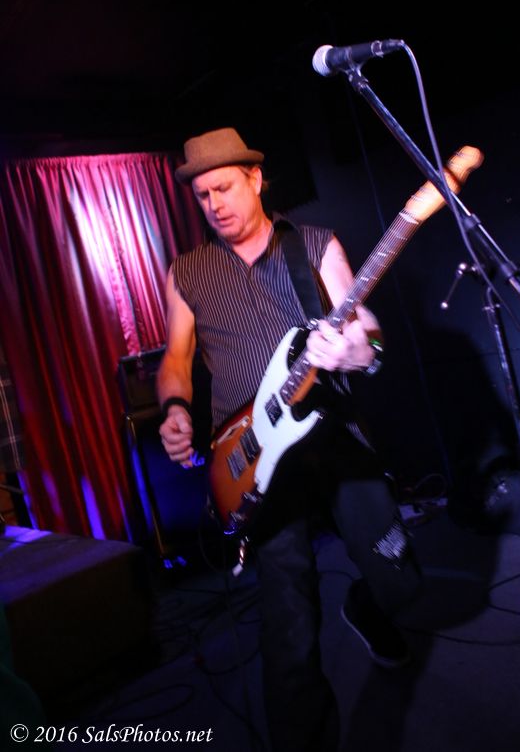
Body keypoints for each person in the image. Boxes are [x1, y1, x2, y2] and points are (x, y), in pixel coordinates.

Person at [157, 127, 421, 752]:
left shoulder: (315, 244)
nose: (214, 204)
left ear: (255, 178)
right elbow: (175, 357)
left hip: (330, 432)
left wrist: (359, 352)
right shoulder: (187, 271)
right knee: (288, 627)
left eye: (224, 187)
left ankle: (366, 606)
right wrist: (174, 406)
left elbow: (367, 327)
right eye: (202, 195)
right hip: (251, 458)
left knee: (400, 578)